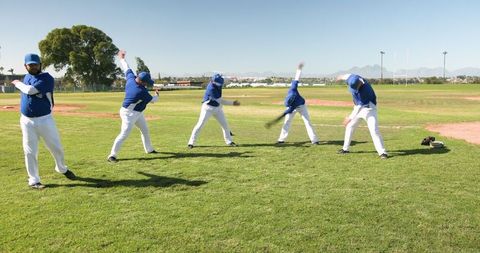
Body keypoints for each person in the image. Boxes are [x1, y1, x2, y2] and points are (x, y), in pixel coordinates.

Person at [12, 53, 76, 189]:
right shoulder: (27, 77)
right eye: (31, 65)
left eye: (36, 64)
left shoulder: (47, 78)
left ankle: (61, 168)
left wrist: (17, 83)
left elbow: (29, 90)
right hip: (26, 120)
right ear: (25, 66)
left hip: (45, 120)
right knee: (29, 151)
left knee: (56, 147)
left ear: (40, 65)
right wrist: (21, 82)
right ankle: (34, 180)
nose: (34, 66)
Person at [107, 50, 159, 163]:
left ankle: (149, 150)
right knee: (124, 134)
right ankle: (112, 155)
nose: (147, 84)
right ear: (141, 82)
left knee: (145, 130)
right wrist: (157, 94)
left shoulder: (131, 78)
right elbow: (153, 101)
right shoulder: (140, 91)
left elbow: (126, 67)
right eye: (146, 83)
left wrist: (121, 58)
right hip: (128, 114)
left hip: (137, 112)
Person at [337, 74, 388, 159]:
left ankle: (382, 152)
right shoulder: (353, 78)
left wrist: (349, 118)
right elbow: (347, 75)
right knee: (350, 127)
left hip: (369, 110)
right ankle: (345, 149)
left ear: (360, 84)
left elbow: (359, 107)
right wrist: (340, 77)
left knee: (374, 130)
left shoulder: (365, 91)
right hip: (358, 107)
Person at [187, 73, 240, 148]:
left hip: (218, 108)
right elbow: (221, 101)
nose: (220, 85)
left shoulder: (218, 83)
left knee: (225, 125)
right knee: (200, 125)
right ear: (213, 81)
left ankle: (229, 141)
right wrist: (233, 103)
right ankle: (191, 143)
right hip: (208, 108)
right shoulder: (211, 89)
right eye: (219, 83)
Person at [277, 62, 319, 145]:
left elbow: (289, 110)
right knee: (287, 122)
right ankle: (281, 139)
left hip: (302, 106)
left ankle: (314, 140)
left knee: (307, 122)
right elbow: (296, 78)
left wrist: (300, 68)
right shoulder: (292, 90)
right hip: (294, 106)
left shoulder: (294, 97)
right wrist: (298, 69)